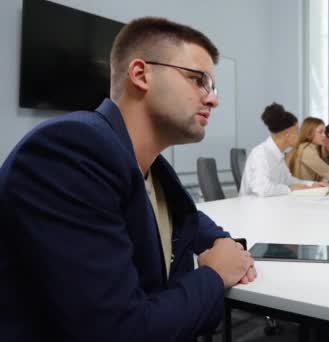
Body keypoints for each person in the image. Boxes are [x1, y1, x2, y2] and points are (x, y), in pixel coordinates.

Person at [0, 17, 256, 341]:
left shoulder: (148, 167)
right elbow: (119, 331)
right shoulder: (71, 151)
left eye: (213, 86)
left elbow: (187, 218)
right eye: (197, 80)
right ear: (140, 74)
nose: (213, 99)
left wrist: (221, 243)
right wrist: (215, 275)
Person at [239, 102, 329, 197]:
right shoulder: (261, 153)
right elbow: (262, 189)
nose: (300, 136)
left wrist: (312, 185)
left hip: (270, 205)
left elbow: (288, 180)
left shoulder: (278, 155)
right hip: (253, 208)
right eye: (297, 132)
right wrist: (290, 188)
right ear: (287, 134)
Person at [286, 117, 329, 185]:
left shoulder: (313, 149)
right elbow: (326, 170)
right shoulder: (306, 149)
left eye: (324, 132)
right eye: (320, 132)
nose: (324, 136)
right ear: (309, 134)